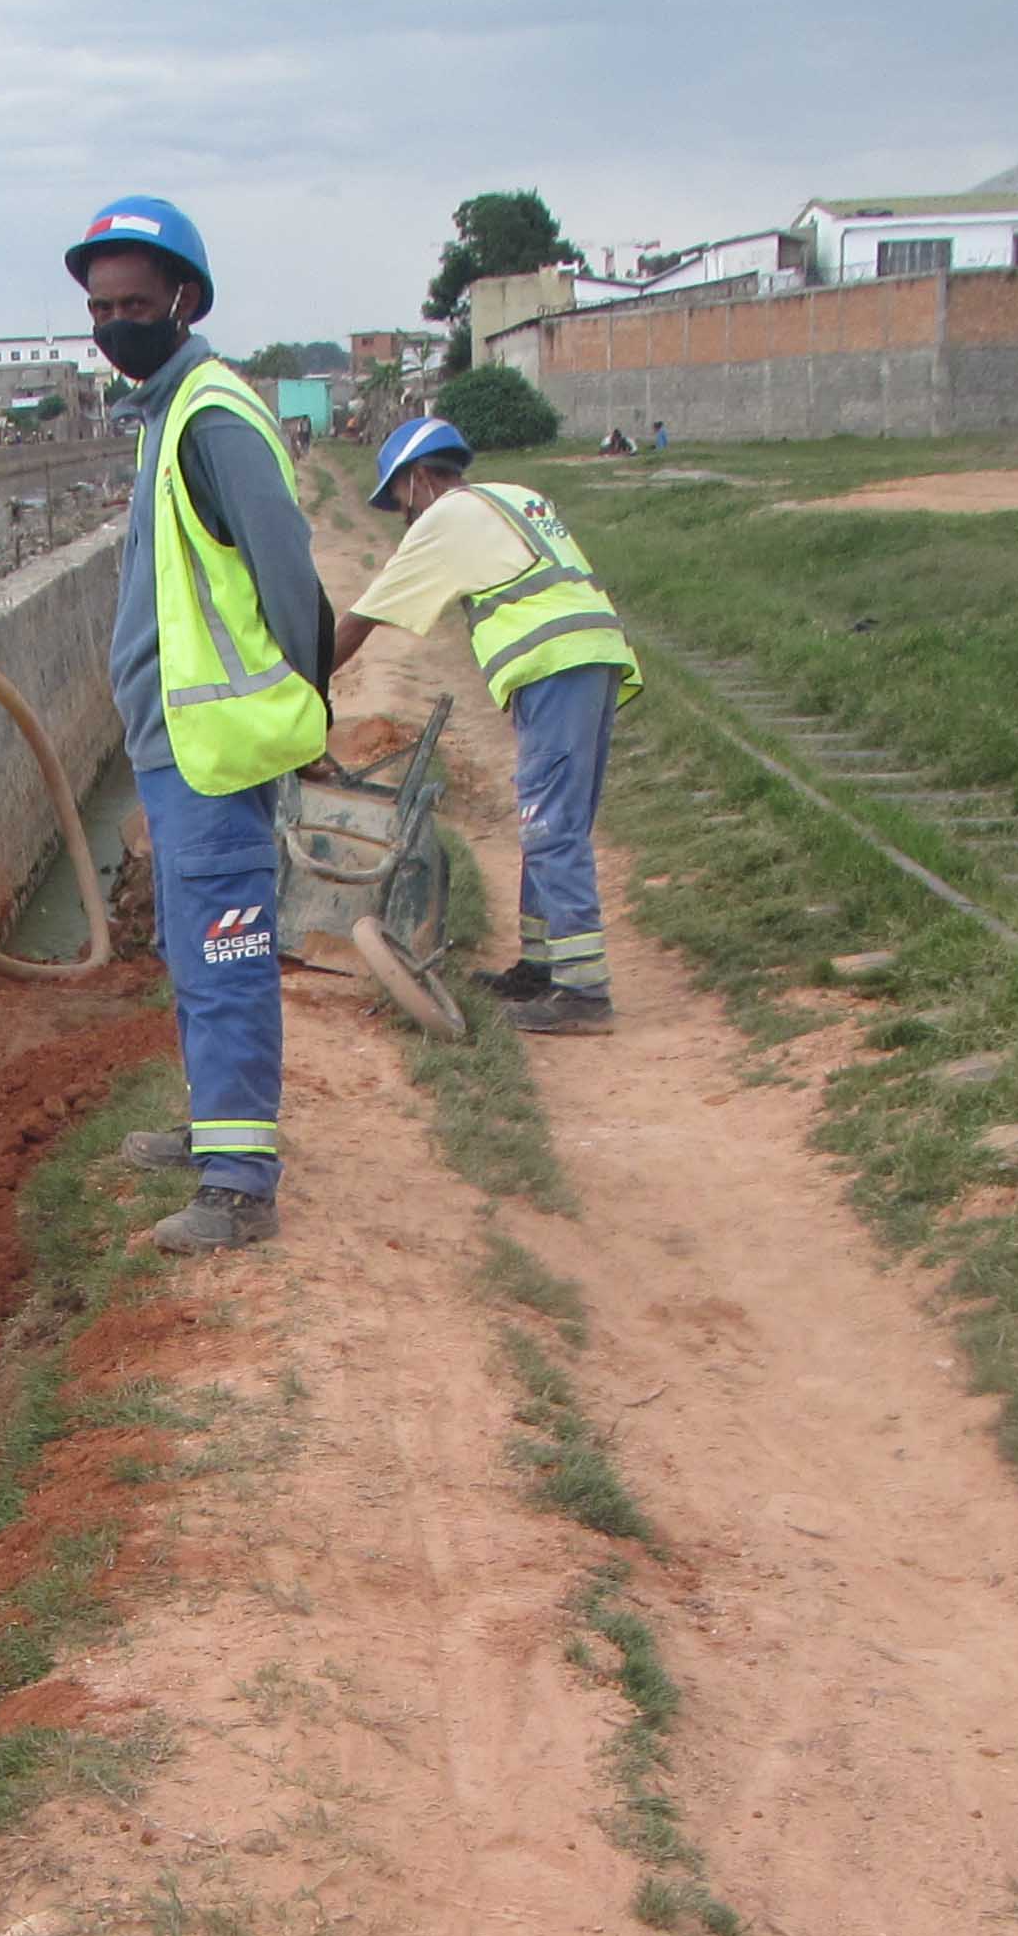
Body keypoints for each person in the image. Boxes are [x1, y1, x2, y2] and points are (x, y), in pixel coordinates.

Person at [66, 193, 330, 1253]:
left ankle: (239, 1182)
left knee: (227, 947)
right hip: (172, 745)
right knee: (190, 942)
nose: (114, 322)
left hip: (214, 749)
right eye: (99, 307)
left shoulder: (212, 419)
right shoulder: (166, 416)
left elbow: (288, 576)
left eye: (133, 301)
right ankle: (211, 1126)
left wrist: (301, 706)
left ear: (183, 299)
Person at [329, 413, 641, 1036]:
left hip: (559, 665)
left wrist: (304, 688)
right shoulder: (513, 496)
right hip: (587, 658)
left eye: (399, 503)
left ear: (418, 480)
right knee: (547, 814)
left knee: (550, 822)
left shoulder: (446, 517)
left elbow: (364, 619)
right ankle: (541, 965)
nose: (405, 518)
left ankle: (584, 994)